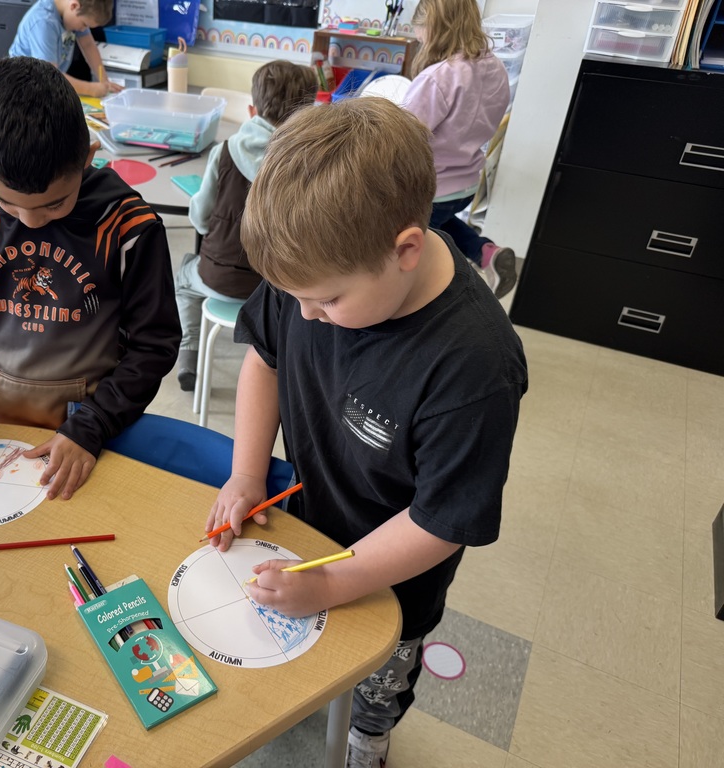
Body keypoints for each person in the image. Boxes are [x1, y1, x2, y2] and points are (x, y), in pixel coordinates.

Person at [204, 98, 527, 768]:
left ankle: (368, 741)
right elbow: (265, 354)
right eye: (293, 297)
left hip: (393, 580)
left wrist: (331, 586)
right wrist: (244, 472)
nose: (305, 315)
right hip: (306, 524)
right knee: (298, 665)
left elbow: (441, 521)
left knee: (374, 690)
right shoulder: (312, 269)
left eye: (324, 301)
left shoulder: (475, 366)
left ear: (406, 249)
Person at [0, 57, 181, 501]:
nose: (28, 220)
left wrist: (93, 425)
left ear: (87, 158)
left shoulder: (128, 227)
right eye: (6, 202)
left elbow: (154, 344)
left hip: (99, 428)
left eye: (53, 204)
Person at [174, 59, 318, 392]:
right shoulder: (304, 163)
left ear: (252, 109)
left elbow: (200, 219)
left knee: (183, 276)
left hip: (217, 277)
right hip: (275, 290)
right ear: (307, 113)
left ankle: (188, 354)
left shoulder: (224, 152)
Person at [402, 0, 517, 298]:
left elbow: (402, 136)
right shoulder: (493, 66)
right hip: (465, 185)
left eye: (419, 31)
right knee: (439, 223)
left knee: (400, 242)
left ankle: (427, 295)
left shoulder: (438, 77)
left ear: (434, 27)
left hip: (431, 187)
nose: (417, 38)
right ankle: (485, 252)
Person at [8, 0, 121, 97]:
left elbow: (88, 45)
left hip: (51, 85)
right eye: (84, 24)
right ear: (74, 6)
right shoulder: (43, 23)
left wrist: (104, 80)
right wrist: (91, 89)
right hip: (25, 89)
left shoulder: (76, 12)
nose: (83, 30)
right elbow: (49, 75)